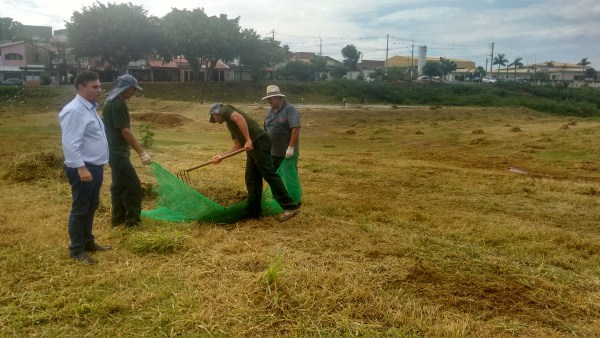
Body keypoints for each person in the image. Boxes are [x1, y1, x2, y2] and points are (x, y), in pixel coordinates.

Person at [208, 103, 301, 222]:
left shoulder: (224, 109)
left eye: (213, 118)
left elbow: (239, 118)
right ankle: (254, 211)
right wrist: (222, 156)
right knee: (251, 177)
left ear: (215, 112)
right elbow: (238, 145)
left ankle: (290, 207)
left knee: (268, 174)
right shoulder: (230, 125)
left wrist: (247, 139)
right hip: (253, 146)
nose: (215, 121)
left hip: (259, 141)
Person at [58, 70, 111, 265]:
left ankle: (88, 242)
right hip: (83, 168)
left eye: (99, 86)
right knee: (80, 208)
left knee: (91, 206)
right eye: (94, 87)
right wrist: (80, 168)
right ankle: (76, 251)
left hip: (94, 167)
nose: (99, 90)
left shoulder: (89, 108)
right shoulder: (74, 111)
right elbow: (70, 144)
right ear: (81, 88)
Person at [102, 74, 151, 228]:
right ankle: (132, 222)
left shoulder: (110, 100)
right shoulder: (117, 103)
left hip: (112, 150)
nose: (134, 93)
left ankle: (118, 220)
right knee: (133, 185)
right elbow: (125, 132)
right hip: (117, 153)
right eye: (134, 90)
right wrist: (141, 152)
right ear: (128, 88)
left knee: (118, 185)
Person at [261, 85, 301, 170]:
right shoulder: (269, 112)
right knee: (276, 179)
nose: (269, 101)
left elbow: (296, 128)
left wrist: (291, 148)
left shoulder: (290, 109)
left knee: (288, 179)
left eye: (270, 99)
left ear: (278, 97)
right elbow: (266, 131)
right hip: (272, 154)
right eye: (268, 99)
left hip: (287, 154)